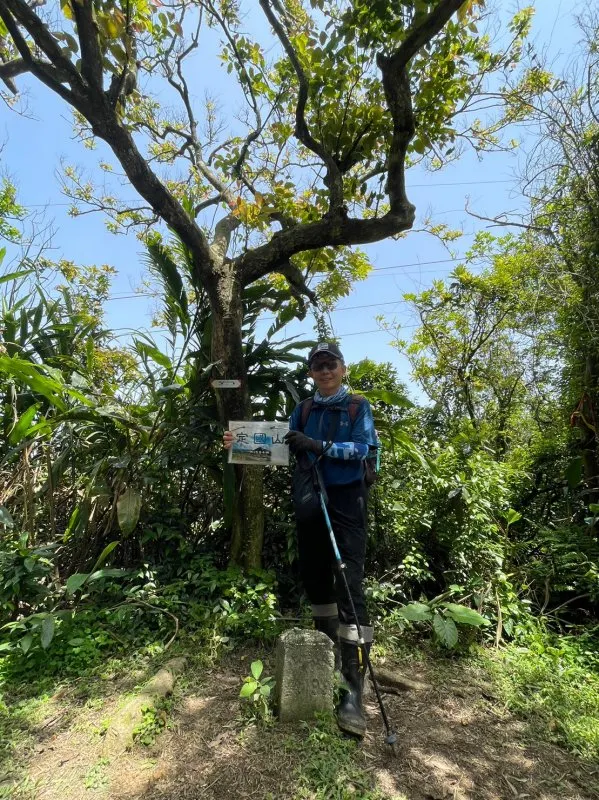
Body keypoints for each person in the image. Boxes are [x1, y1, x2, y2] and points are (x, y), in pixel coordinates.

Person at [224, 341, 377, 737]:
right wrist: (239, 444)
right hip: (310, 498)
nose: (325, 371)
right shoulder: (304, 410)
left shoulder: (358, 407)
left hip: (347, 503)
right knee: (315, 580)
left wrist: (320, 445)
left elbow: (362, 448)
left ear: (343, 368)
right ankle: (324, 664)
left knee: (349, 585)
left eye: (331, 365)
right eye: (317, 366)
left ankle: (353, 692)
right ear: (310, 372)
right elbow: (279, 445)